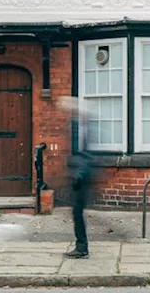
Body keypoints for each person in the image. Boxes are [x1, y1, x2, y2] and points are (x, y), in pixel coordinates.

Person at [61, 97, 94, 259]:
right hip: (80, 177)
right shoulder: (82, 128)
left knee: (77, 212)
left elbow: (86, 156)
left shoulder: (85, 129)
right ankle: (81, 246)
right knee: (77, 212)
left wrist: (78, 175)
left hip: (82, 178)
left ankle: (82, 248)